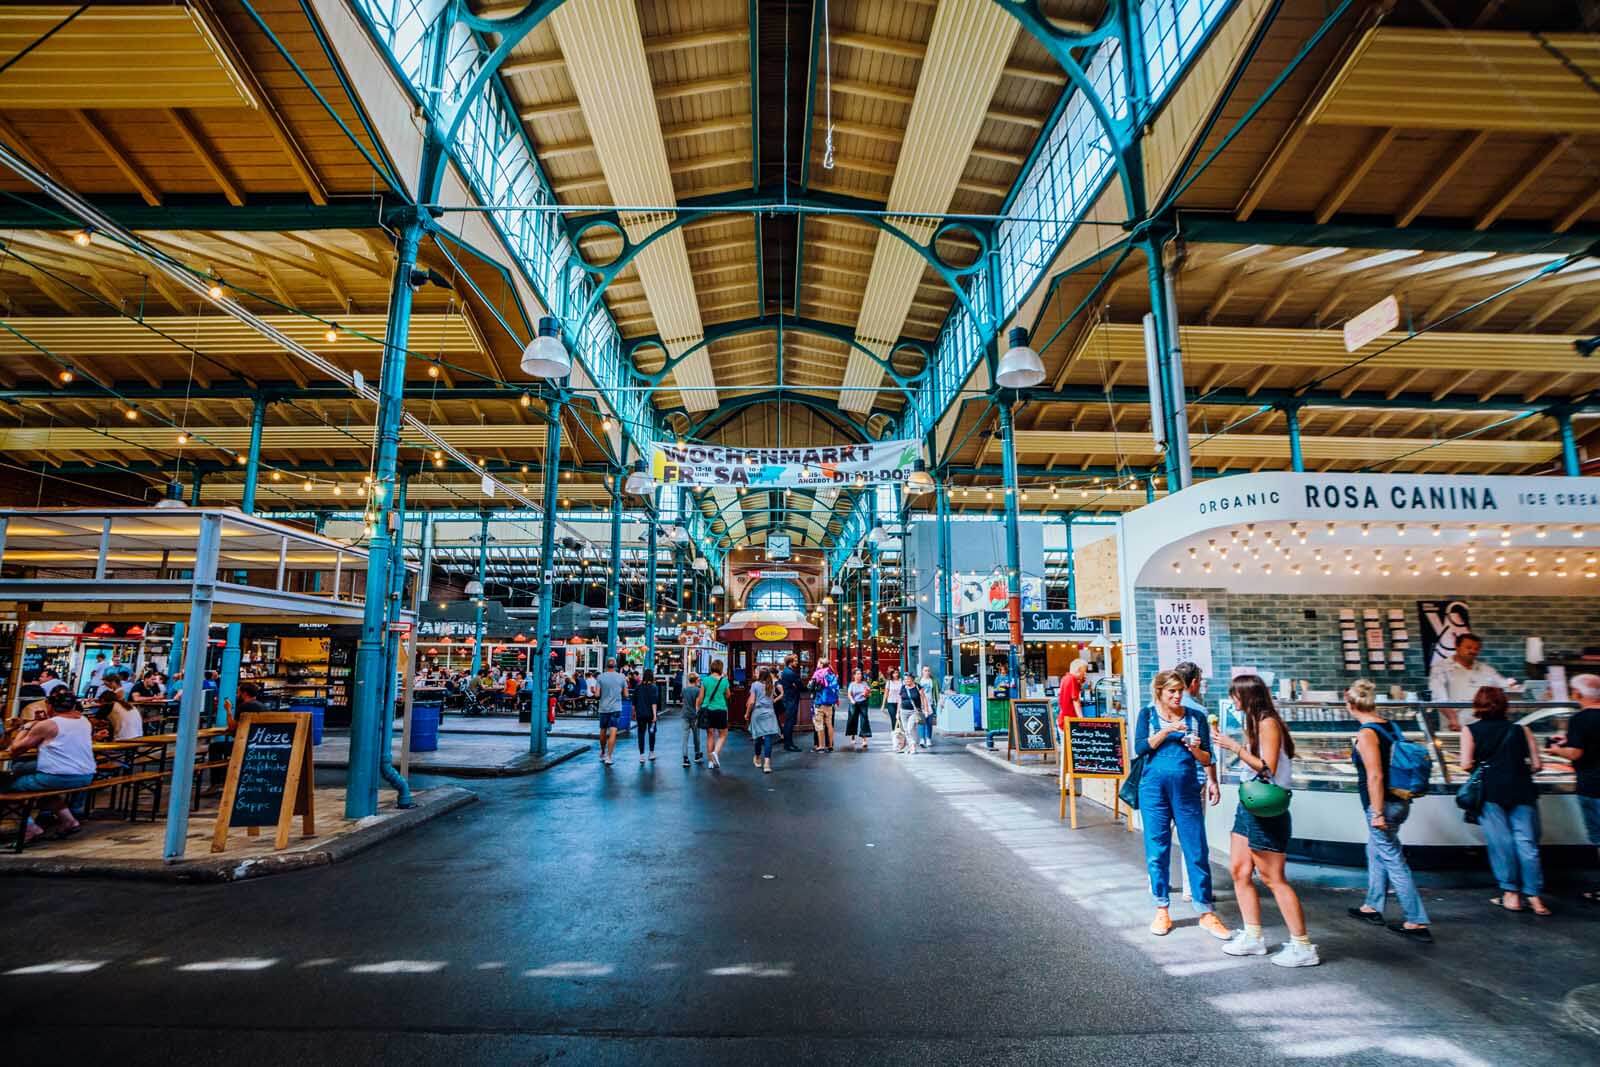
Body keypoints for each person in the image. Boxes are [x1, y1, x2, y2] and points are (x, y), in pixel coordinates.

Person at [1210, 675, 1318, 967]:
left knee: (1273, 878)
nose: (1232, 701)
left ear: (1248, 696)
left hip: (1266, 808)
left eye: (1235, 695)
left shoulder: (1268, 723)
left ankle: (1302, 945)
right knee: (1240, 870)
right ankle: (1253, 936)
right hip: (1248, 806)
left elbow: (1267, 768)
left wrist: (1234, 748)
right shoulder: (1255, 723)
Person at [1134, 670, 1231, 940]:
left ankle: (1206, 912)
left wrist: (1196, 748)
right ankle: (1162, 908)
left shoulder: (1196, 717)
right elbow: (1141, 748)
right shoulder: (1148, 715)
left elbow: (1207, 757)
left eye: (1179, 691)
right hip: (1153, 790)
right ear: (1160, 693)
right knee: (1157, 850)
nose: (1178, 696)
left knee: (1196, 848)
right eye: (1171, 692)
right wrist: (1167, 731)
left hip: (1188, 789)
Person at [1345, 678, 1432, 942]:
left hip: (1383, 805)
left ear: (1350, 705)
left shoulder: (1366, 734)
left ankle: (1417, 921)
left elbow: (1376, 776)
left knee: (1393, 859)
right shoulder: (1390, 727)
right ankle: (1372, 906)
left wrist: (1378, 813)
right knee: (1375, 851)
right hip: (1400, 800)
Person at [1461, 686, 1547, 915]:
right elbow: (1537, 765)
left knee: (1502, 844)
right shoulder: (1521, 730)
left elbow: (1465, 764)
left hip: (1491, 791)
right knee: (1527, 844)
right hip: (1522, 789)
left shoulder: (1470, 730)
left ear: (1477, 705)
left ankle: (1511, 895)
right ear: (1505, 705)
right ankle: (1535, 897)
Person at [1, 687, 95, 843]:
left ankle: (30, 828)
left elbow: (14, 750)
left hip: (58, 777)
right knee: (42, 789)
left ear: (50, 706)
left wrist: (27, 726)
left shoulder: (49, 725)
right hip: (85, 776)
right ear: (72, 706)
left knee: (6, 785)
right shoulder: (84, 721)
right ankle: (69, 821)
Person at [1548, 673, 1600, 905]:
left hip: (1593, 786)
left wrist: (1557, 750)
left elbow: (1576, 753)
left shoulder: (1581, 718)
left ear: (1577, 694)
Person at [1429, 632, 1516, 730]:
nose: (1473, 651)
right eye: (1468, 647)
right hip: (1456, 726)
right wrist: (1452, 718)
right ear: (1457, 647)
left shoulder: (1485, 669)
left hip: (1483, 728)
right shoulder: (1440, 668)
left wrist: (1512, 685)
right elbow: (1439, 698)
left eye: (1476, 649)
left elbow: (1503, 686)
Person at [1173, 661, 1223, 806]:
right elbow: (1207, 752)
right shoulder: (1198, 711)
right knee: (1191, 827)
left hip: (1162, 780)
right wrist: (1213, 781)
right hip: (1192, 779)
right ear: (1194, 682)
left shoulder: (1154, 707)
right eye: (1200, 681)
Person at [747, 666, 781, 774]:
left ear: (760, 674)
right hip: (770, 713)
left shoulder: (755, 685)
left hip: (758, 713)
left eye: (756, 672)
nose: (755, 673)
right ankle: (767, 764)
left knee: (757, 737)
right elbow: (773, 697)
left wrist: (747, 713)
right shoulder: (771, 685)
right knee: (768, 738)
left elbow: (752, 701)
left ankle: (757, 757)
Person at [698, 659, 731, 769]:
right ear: (721, 668)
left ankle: (711, 762)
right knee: (723, 734)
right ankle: (715, 753)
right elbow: (728, 695)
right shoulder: (724, 681)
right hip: (721, 709)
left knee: (710, 735)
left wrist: (698, 707)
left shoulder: (705, 680)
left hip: (707, 709)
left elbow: (701, 696)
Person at [595, 659, 626, 767]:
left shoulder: (600, 677)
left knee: (603, 730)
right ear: (616, 666)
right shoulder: (622, 677)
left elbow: (597, 694)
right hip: (616, 708)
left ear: (606, 665)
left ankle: (603, 752)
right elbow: (626, 694)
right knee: (613, 732)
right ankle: (609, 757)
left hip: (603, 708)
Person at [634, 668, 661, 763]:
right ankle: (651, 752)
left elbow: (634, 702)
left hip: (640, 714)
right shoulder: (654, 687)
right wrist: (654, 715)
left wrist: (634, 713)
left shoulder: (638, 687)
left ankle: (641, 755)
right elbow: (654, 702)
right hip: (650, 714)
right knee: (652, 733)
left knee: (641, 734)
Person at [897, 669, 925, 756]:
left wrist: (924, 709)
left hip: (914, 711)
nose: (906, 681)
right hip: (903, 711)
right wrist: (897, 712)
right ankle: (912, 746)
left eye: (908, 679)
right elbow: (900, 700)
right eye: (905, 679)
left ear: (912, 679)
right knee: (906, 730)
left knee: (910, 728)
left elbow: (923, 698)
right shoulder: (903, 687)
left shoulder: (918, 687)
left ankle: (912, 745)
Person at [778, 654, 802, 752]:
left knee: (789, 722)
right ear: (790, 662)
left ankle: (789, 743)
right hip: (791, 700)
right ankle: (788, 745)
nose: (797, 662)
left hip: (788, 699)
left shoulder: (786, 671)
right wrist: (795, 685)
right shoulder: (791, 673)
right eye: (795, 660)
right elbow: (800, 686)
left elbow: (797, 685)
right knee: (789, 723)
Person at [681, 672, 704, 767]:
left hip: (685, 715)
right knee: (696, 736)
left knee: (685, 738)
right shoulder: (698, 690)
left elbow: (683, 701)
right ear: (696, 680)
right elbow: (698, 704)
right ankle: (697, 754)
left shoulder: (684, 690)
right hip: (694, 716)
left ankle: (685, 758)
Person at [845, 668, 871, 751]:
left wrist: (866, 693)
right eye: (858, 674)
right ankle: (853, 737)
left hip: (863, 703)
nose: (860, 675)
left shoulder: (864, 683)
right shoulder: (852, 684)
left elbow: (869, 693)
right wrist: (852, 700)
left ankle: (864, 740)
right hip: (854, 703)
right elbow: (849, 694)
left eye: (860, 674)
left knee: (864, 720)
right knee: (853, 720)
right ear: (854, 675)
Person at [1058, 658, 1088, 728]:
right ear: (1078, 670)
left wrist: (1080, 682)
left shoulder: (1065, 678)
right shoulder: (1072, 679)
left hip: (1063, 718)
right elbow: (1075, 700)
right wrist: (1081, 719)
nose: (1085, 674)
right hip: (1071, 720)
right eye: (1084, 671)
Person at [916, 665, 937, 748]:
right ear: (922, 671)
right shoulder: (918, 680)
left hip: (930, 704)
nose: (927, 672)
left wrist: (937, 702)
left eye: (928, 670)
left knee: (929, 723)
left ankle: (928, 738)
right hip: (920, 705)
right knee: (921, 722)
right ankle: (921, 738)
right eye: (925, 670)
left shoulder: (933, 681)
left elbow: (936, 692)